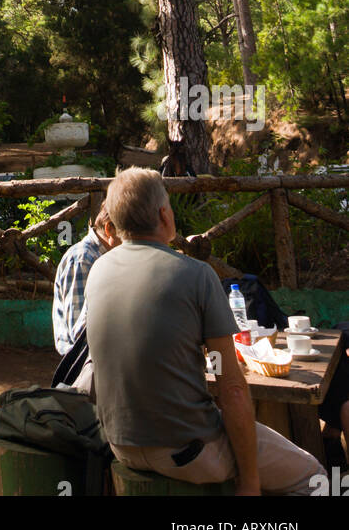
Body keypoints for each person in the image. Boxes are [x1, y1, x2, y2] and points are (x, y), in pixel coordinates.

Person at [85, 167, 325, 495]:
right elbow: (232, 388)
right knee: (315, 478)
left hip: (120, 444)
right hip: (188, 451)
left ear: (114, 223)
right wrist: (250, 481)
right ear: (165, 216)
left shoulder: (98, 271)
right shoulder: (196, 274)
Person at [52, 203, 120, 357]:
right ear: (110, 229)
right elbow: (80, 337)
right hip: (85, 369)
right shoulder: (84, 259)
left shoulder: (101, 256)